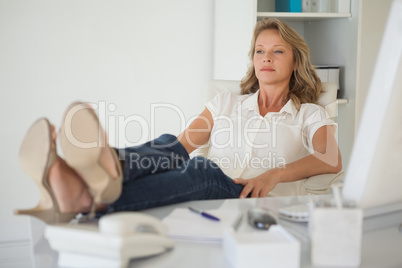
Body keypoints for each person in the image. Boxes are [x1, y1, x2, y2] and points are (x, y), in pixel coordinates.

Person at [15, 18, 342, 224]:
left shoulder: (310, 113)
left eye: (277, 51)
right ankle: (91, 180)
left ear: (296, 60)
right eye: (259, 51)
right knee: (171, 148)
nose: (266, 57)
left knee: (202, 169)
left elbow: (330, 159)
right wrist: (157, 156)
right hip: (212, 197)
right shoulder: (226, 101)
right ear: (252, 59)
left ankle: (83, 189)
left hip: (259, 207)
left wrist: (274, 174)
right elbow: (181, 147)